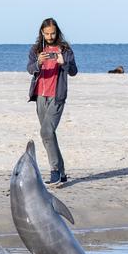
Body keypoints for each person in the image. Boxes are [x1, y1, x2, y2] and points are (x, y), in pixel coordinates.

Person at [26, 18, 78, 185]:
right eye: (47, 33)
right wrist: (38, 63)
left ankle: (54, 171)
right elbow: (29, 68)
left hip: (57, 96)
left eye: (53, 33)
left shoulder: (65, 50)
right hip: (40, 96)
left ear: (57, 32)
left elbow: (74, 71)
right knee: (49, 134)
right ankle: (62, 174)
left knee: (46, 133)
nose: (50, 36)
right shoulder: (36, 50)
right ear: (42, 32)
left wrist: (64, 63)